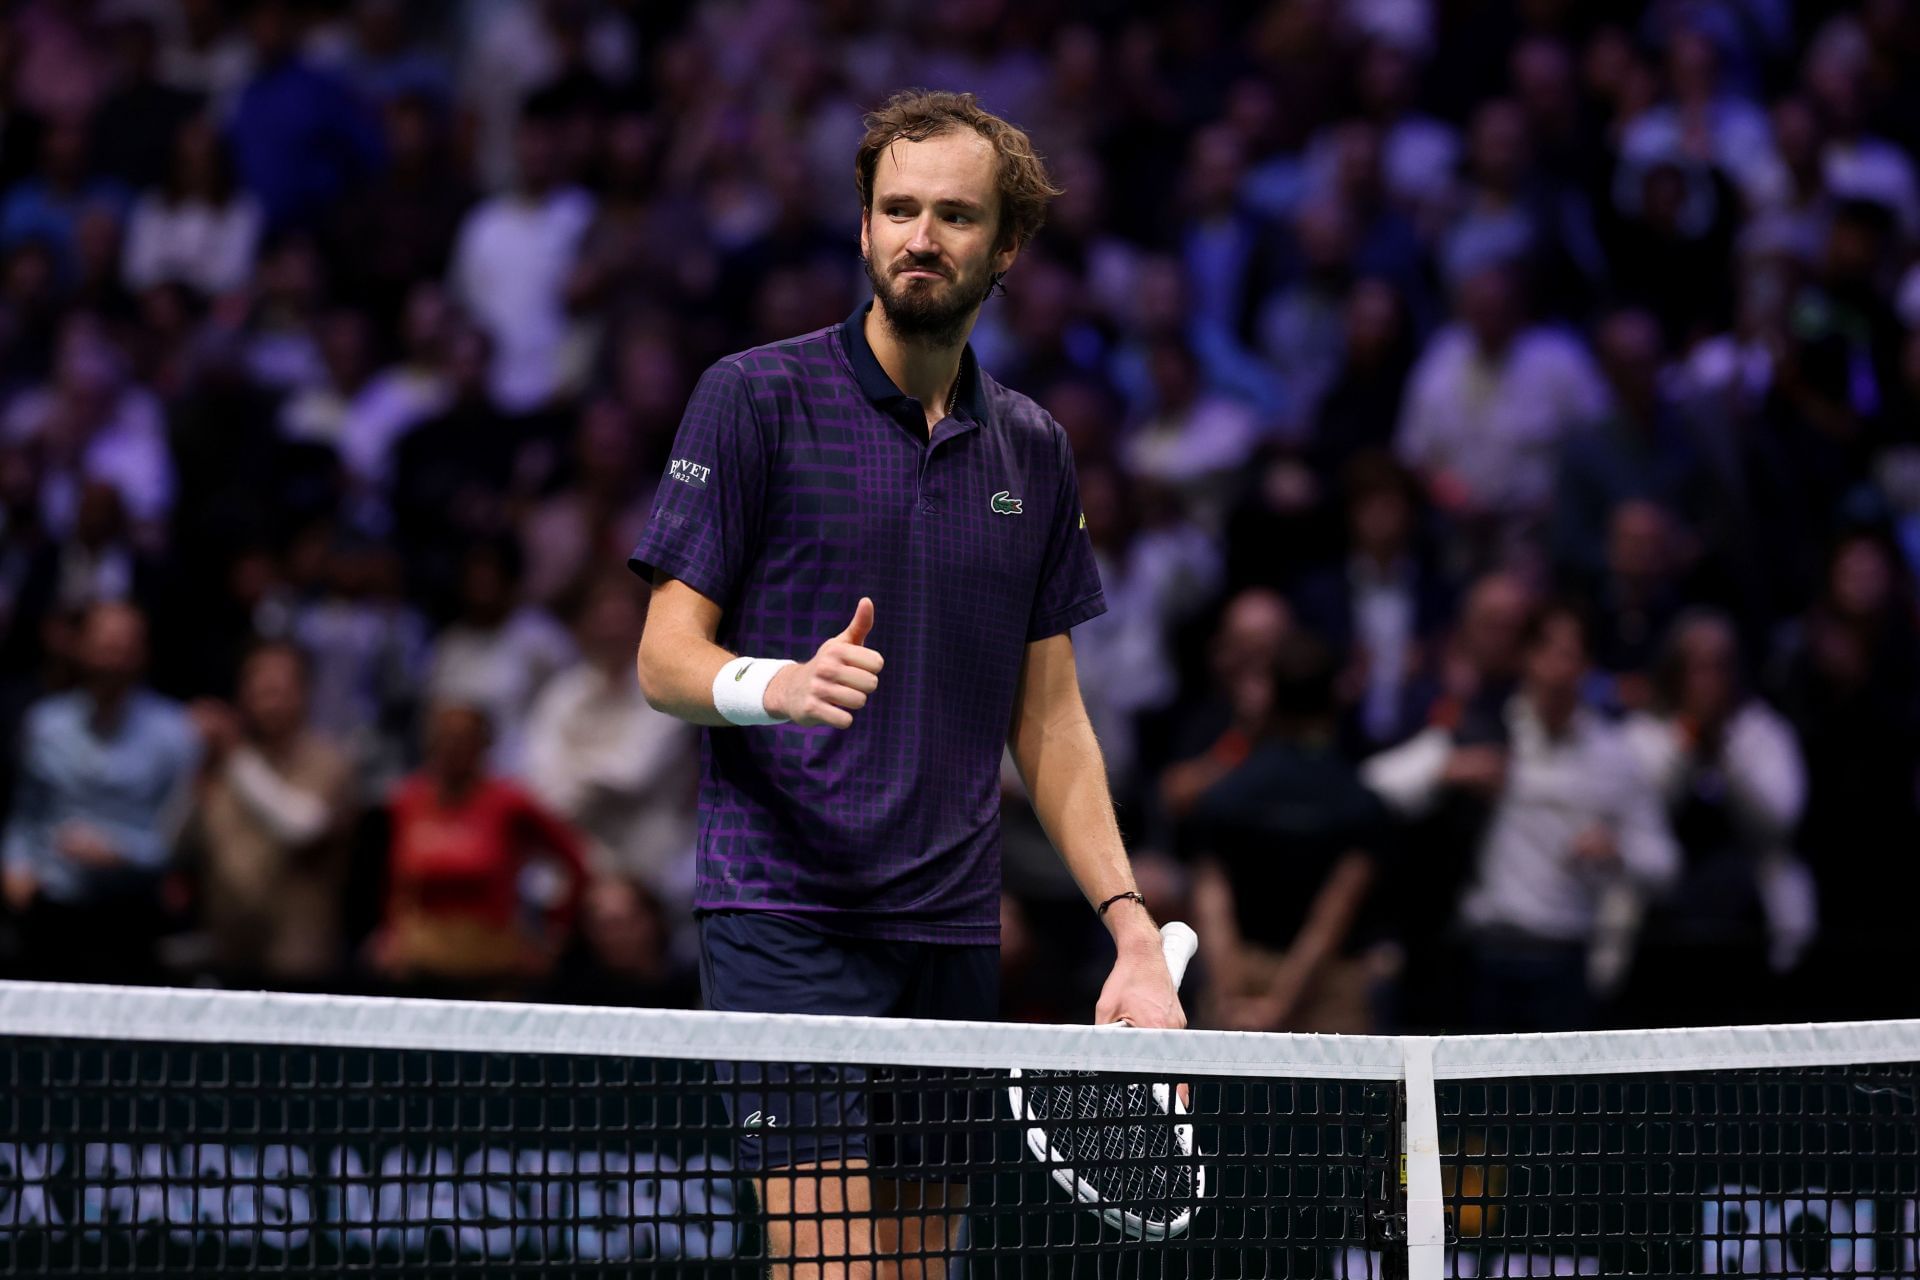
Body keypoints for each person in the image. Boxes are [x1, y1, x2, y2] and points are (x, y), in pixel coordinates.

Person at [630, 90, 1185, 1280]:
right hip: (787, 915)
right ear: (864, 225)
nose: (920, 237)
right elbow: (664, 656)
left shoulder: (1033, 449)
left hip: (950, 930)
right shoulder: (756, 397)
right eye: (897, 210)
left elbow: (1052, 720)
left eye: (953, 215)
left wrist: (1130, 927)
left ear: (1007, 245)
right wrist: (776, 684)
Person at [1364, 602, 1680, 1032]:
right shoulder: (1486, 728)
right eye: (1545, 650)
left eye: (1570, 655)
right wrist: (1448, 769)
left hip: (1566, 956)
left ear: (1587, 665)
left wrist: (1618, 853)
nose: (1556, 669)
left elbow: (1664, 863)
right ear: (1526, 657)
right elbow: (1375, 783)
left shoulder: (1614, 755)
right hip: (1485, 953)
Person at [2, 600, 200, 981]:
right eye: (104, 645)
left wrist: (122, 852)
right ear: (80, 647)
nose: (112, 658)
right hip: (51, 907)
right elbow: (25, 812)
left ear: (142, 653)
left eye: (124, 647)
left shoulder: (175, 733)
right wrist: (15, 864)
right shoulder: (46, 725)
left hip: (133, 915)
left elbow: (181, 841)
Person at [184, 639, 355, 989]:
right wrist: (192, 771)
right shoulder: (222, 763)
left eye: (280, 691)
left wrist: (234, 755)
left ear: (305, 693)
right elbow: (175, 843)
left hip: (299, 965)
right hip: (228, 957)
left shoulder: (328, 762)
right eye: (260, 690)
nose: (270, 702)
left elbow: (303, 827)